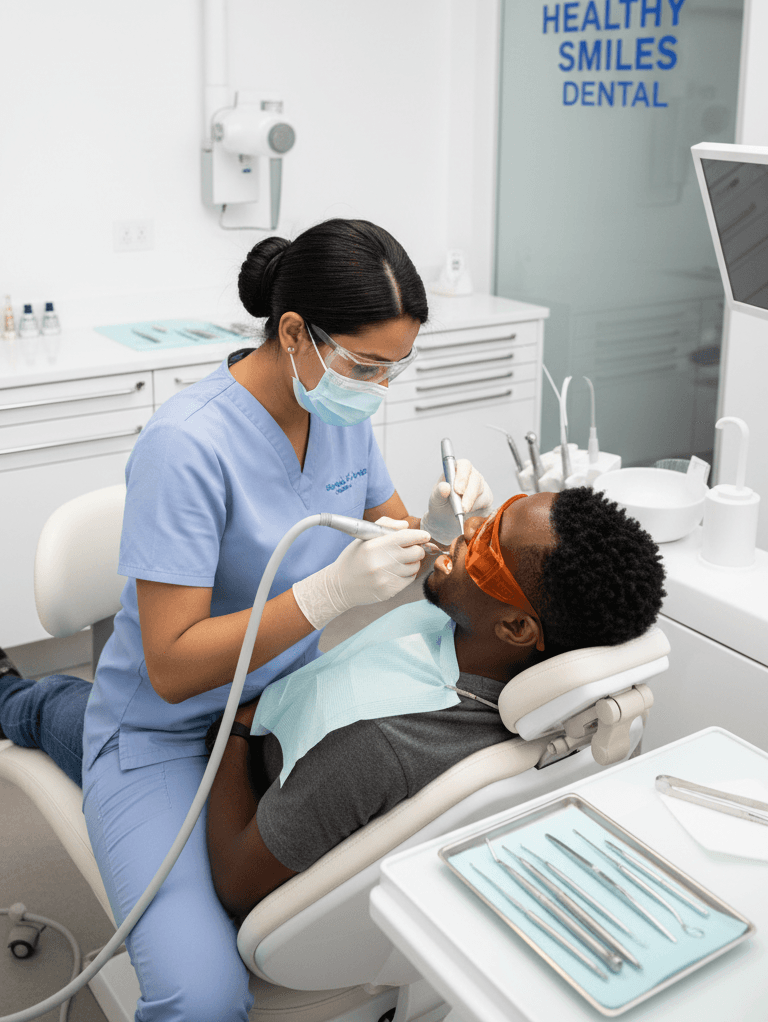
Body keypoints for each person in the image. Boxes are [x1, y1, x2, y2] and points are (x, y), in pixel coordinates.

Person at [0, 218, 493, 1022]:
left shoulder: (344, 413)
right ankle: (36, 704)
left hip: (275, 712)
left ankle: (49, 703)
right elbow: (170, 665)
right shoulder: (185, 446)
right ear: (294, 332)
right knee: (202, 996)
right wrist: (327, 596)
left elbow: (402, 543)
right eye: (367, 366)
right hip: (162, 728)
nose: (379, 389)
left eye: (396, 369)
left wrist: (445, 525)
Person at [1, 486, 665, 929]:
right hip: (280, 743)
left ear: (519, 628)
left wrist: (237, 724)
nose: (464, 536)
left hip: (225, 790)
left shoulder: (380, 744)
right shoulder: (509, 674)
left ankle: (10, 695)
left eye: (485, 547)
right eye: (489, 516)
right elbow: (451, 572)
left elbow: (235, 878)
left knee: (62, 709)